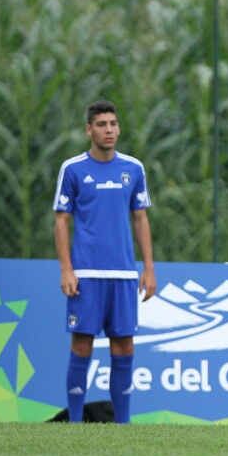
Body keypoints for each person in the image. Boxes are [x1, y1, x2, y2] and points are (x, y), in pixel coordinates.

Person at [53, 100, 156, 424]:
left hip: (124, 274)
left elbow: (140, 219)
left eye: (113, 123)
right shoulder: (73, 169)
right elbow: (61, 221)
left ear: (119, 128)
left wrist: (149, 269)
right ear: (89, 130)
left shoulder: (133, 169)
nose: (108, 130)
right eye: (101, 124)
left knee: (124, 348)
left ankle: (123, 425)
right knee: (82, 345)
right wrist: (66, 269)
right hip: (85, 274)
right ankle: (74, 423)